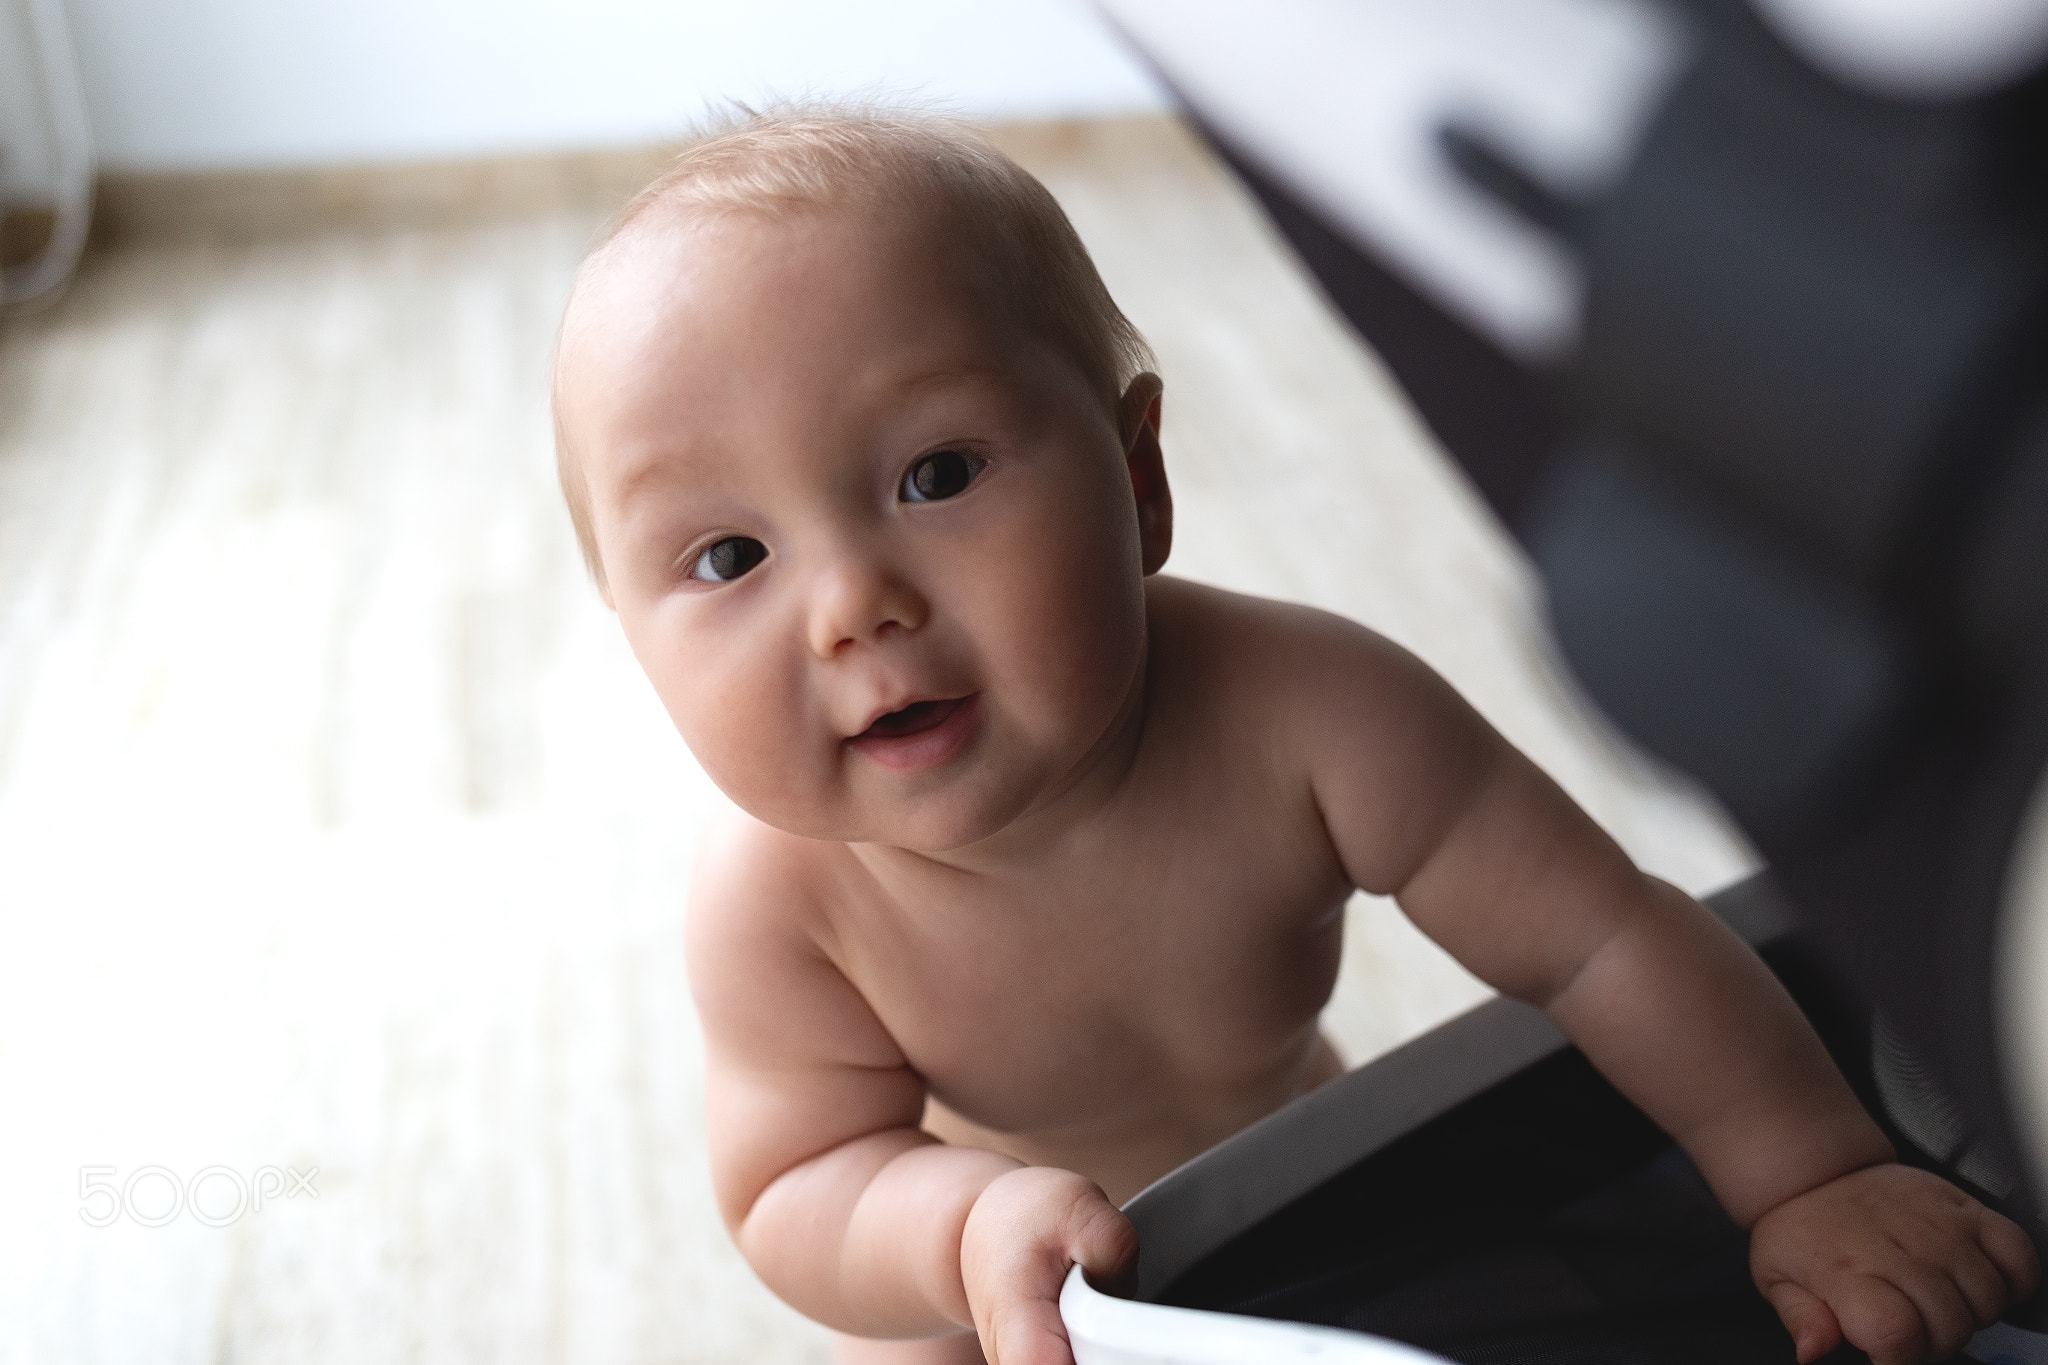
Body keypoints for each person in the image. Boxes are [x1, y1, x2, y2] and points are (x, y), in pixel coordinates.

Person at [548, 107, 2037, 1365]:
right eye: (730, 558)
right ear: (628, 633)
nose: (853, 605)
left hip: (1292, 1166)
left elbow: (1601, 941)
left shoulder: (1310, 714)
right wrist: (959, 1225)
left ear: (1138, 480)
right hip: (986, 1294)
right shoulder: (783, 900)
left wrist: (1814, 1172)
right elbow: (797, 1180)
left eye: (936, 472)